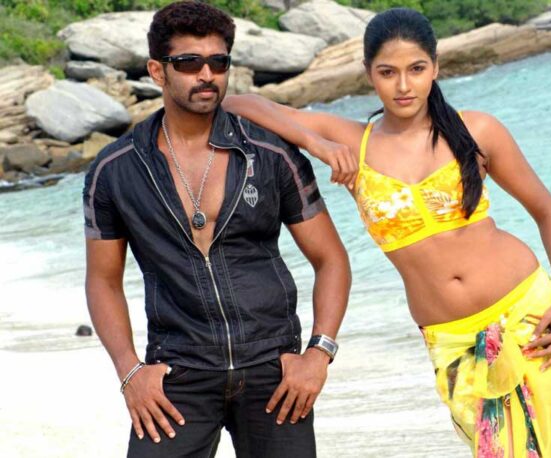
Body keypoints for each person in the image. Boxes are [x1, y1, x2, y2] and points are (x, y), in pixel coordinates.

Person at [222, 7, 551, 457]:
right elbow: (237, 104)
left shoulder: (476, 130)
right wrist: (317, 143)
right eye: (388, 72)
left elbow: (548, 212)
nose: (404, 85)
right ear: (368, 73)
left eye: (417, 69)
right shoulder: (354, 142)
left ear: (436, 67)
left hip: (529, 316)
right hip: (451, 339)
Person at [83, 2, 351, 457]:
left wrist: (318, 354)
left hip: (275, 373)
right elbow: (103, 280)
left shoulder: (270, 153)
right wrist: (130, 373)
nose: (206, 75)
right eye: (189, 63)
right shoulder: (115, 170)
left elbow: (331, 260)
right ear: (157, 70)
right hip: (178, 375)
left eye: (218, 62)